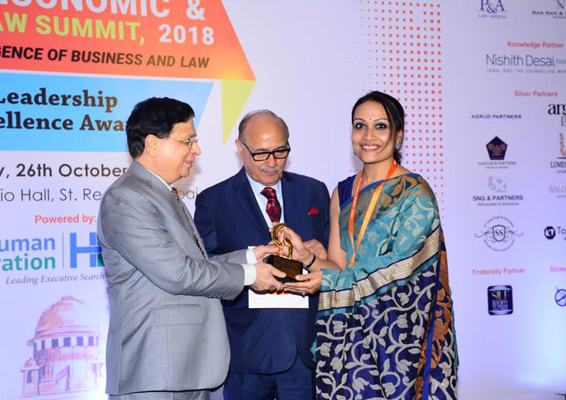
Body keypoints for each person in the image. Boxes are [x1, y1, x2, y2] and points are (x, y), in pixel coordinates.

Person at [97, 97, 286, 400]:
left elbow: (196, 262)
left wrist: (251, 256)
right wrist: (250, 275)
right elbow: (178, 273)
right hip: (157, 372)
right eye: (188, 141)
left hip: (190, 367)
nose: (196, 150)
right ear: (152, 144)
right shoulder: (127, 198)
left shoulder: (163, 194)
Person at [282, 91, 458, 399]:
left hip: (397, 336)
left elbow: (403, 272)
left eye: (380, 126)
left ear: (398, 136)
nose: (368, 136)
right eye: (360, 125)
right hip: (347, 335)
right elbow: (338, 266)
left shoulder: (416, 194)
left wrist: (330, 281)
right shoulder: (342, 193)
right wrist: (307, 258)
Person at [194, 110, 330, 400]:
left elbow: (334, 263)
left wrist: (321, 257)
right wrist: (249, 271)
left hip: (305, 349)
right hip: (246, 350)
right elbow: (205, 270)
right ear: (240, 148)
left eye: (280, 151)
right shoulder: (213, 201)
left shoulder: (314, 192)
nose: (272, 162)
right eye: (260, 154)